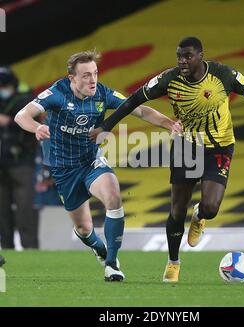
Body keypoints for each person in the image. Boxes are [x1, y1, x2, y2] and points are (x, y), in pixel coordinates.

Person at [90, 37, 244, 282]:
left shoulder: (224, 75)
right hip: (187, 146)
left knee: (210, 208)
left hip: (219, 145)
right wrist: (105, 127)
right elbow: (134, 100)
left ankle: (200, 216)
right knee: (177, 210)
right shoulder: (169, 79)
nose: (182, 61)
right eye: (179, 56)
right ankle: (173, 262)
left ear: (200, 56)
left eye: (188, 56)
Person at [14, 50, 181, 282]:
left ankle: (111, 264)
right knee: (84, 229)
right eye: (85, 76)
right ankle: (99, 248)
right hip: (63, 169)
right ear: (72, 78)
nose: (92, 80)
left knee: (113, 196)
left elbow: (140, 110)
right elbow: (22, 115)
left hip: (91, 160)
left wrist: (168, 123)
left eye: (95, 73)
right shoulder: (57, 93)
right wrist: (36, 128)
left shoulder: (102, 94)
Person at [0, 66, 39, 249]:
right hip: (2, 163)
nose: (2, 89)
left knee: (25, 210)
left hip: (21, 162)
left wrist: (7, 121)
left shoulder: (27, 99)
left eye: (4, 85)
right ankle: (7, 250)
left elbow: (34, 124)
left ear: (12, 84)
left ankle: (31, 250)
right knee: (2, 211)